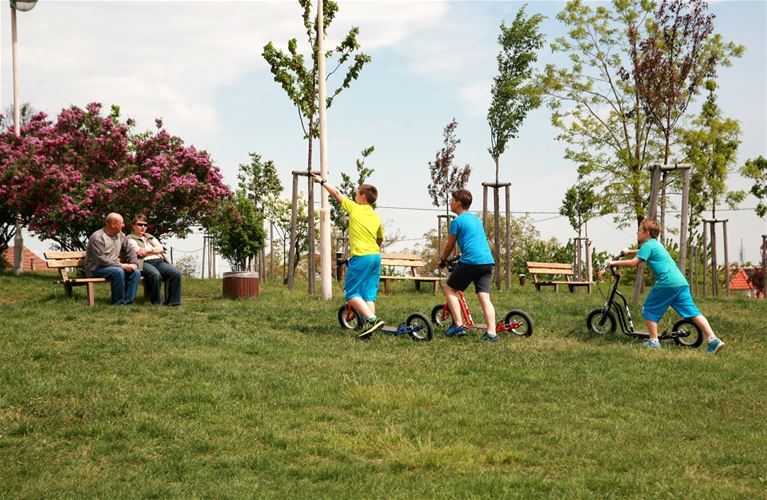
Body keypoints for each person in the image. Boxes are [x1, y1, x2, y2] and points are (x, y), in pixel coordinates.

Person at [608, 219, 725, 353]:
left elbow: (634, 263)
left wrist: (614, 262)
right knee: (694, 313)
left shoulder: (647, 246)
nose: (637, 232)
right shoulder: (657, 244)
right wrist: (629, 252)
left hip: (667, 282)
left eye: (639, 229)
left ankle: (653, 341)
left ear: (646, 232)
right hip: (680, 282)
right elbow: (645, 251)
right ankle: (713, 339)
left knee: (649, 308)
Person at [313, 174, 384, 339]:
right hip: (375, 256)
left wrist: (322, 181)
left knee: (351, 294)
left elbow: (337, 194)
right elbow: (380, 238)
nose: (355, 195)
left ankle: (373, 319)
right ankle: (369, 327)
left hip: (362, 257)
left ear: (363, 197)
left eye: (357, 193)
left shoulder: (355, 207)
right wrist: (373, 249)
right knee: (368, 295)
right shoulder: (375, 216)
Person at [438, 189, 499, 342]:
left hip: (471, 261)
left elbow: (449, 246)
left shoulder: (457, 222)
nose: (450, 202)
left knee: (449, 288)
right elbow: (474, 241)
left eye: (452, 200)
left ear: (459, 203)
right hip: (487, 261)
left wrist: (442, 260)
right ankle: (492, 333)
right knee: (484, 297)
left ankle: (458, 325)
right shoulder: (476, 219)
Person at [84, 212, 140, 305]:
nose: (123, 225)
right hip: (95, 269)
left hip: (113, 267)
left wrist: (134, 263)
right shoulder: (97, 237)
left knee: (136, 272)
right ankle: (118, 304)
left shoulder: (121, 235)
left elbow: (130, 250)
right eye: (121, 223)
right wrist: (122, 265)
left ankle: (128, 303)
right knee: (118, 271)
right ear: (113, 224)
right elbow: (100, 260)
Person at [127, 214, 182, 306]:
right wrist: (155, 251)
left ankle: (173, 303)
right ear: (133, 226)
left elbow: (161, 248)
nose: (143, 227)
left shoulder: (149, 236)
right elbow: (139, 252)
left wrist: (149, 250)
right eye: (140, 225)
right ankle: (157, 303)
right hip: (143, 262)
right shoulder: (130, 238)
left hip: (158, 262)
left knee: (176, 273)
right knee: (155, 274)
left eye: (145, 225)